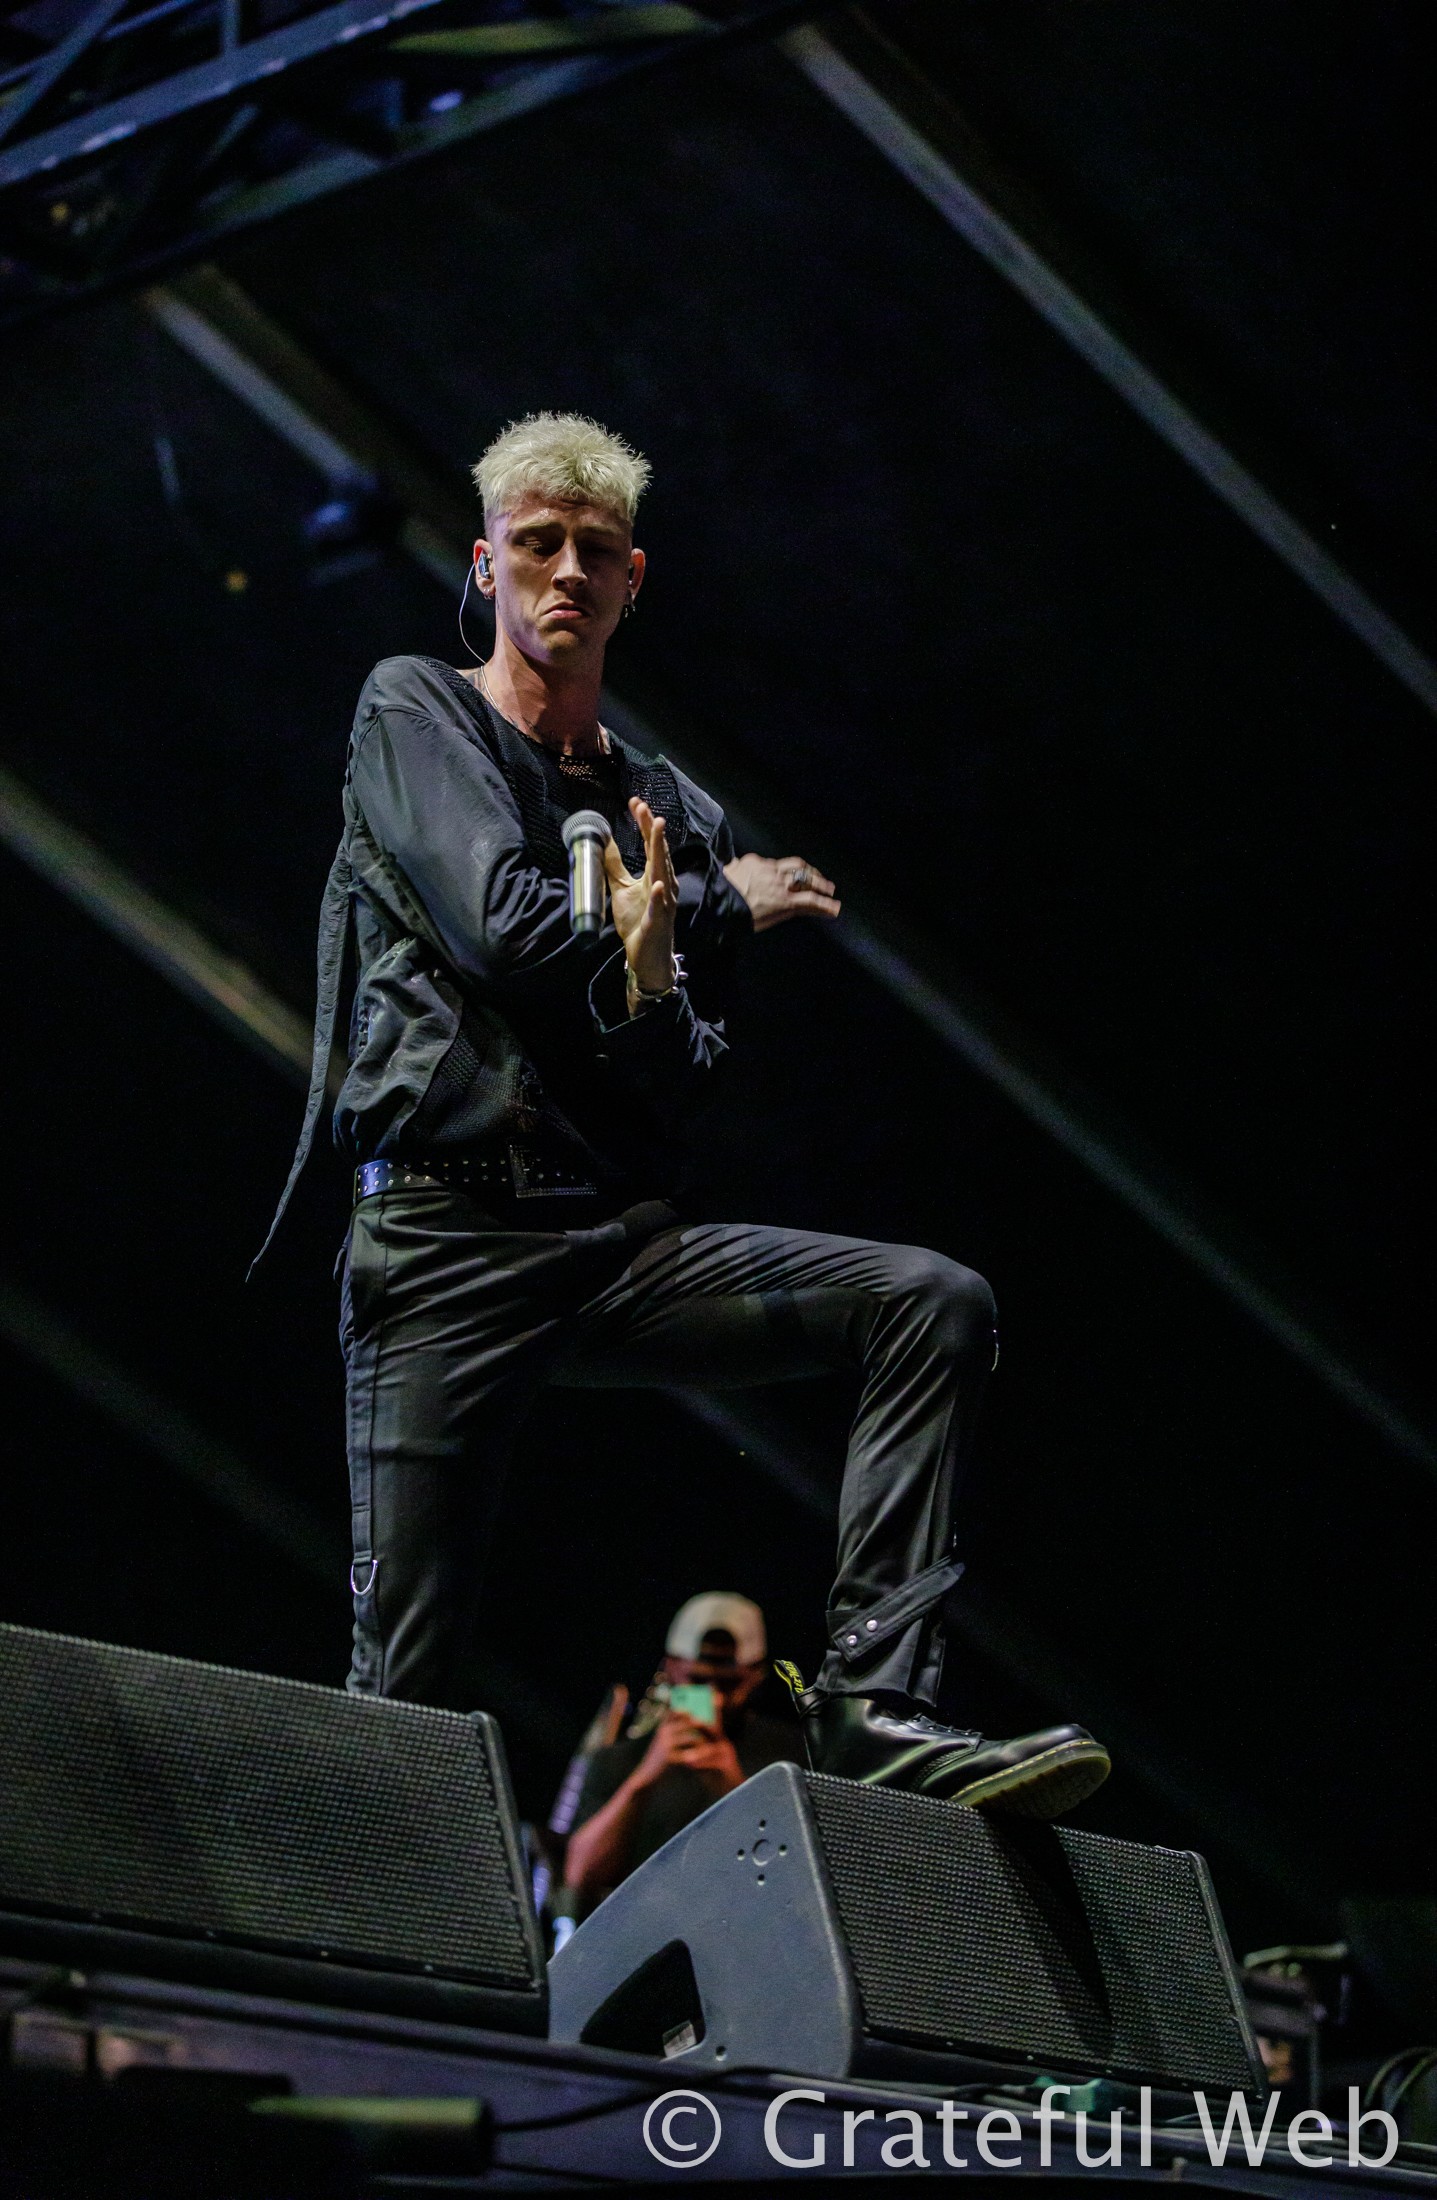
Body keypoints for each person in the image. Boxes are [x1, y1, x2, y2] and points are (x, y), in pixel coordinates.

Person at [266, 412, 1109, 1817]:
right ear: (485, 562)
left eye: (595, 551)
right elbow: (500, 925)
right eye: (538, 544)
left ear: (633, 578)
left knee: (931, 1303)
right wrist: (710, 912)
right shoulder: (415, 711)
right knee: (404, 1684)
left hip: (614, 1245)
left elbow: (685, 1078)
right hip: (444, 1246)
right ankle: (367, 1920)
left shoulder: (667, 807)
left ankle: (874, 1706)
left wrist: (657, 984)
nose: (566, 573)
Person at [563, 1594, 803, 1915]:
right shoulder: (622, 1758)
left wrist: (732, 1787)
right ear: (671, 1668)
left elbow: (796, 1876)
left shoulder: (789, 1754)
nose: (714, 1698)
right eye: (697, 1680)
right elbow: (579, 1875)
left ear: (755, 1675)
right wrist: (643, 1779)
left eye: (728, 1684)